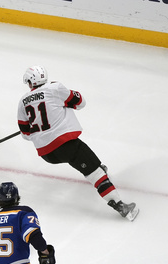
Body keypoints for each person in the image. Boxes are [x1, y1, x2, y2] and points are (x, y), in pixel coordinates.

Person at [17, 65, 138, 221]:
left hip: (47, 154)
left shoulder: (22, 102)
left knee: (87, 162)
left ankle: (97, 169)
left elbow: (26, 134)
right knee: (95, 172)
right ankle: (121, 206)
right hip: (66, 145)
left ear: (30, 82)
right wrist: (64, 104)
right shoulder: (54, 88)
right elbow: (81, 102)